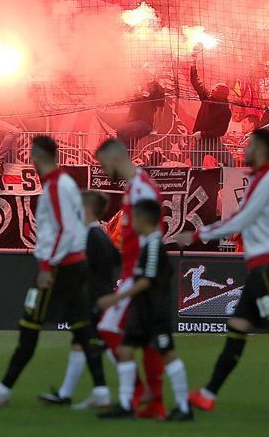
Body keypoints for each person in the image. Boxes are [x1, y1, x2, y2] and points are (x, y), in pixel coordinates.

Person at [180, 127, 269, 415]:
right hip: (259, 270)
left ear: (263, 150)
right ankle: (208, 393)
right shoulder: (261, 180)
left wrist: (197, 234)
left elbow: (244, 218)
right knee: (238, 329)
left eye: (250, 144)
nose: (245, 148)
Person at [0, 137, 106, 404]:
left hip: (59, 267)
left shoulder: (56, 185)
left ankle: (3, 390)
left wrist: (46, 266)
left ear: (37, 155)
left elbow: (63, 230)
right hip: (73, 264)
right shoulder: (62, 183)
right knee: (81, 328)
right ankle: (100, 390)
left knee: (29, 326)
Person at [94, 199, 192, 421]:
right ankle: (127, 404)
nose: (129, 224)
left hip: (155, 312)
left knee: (168, 355)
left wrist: (116, 298)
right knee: (125, 351)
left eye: (131, 219)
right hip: (142, 311)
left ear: (142, 219)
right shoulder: (147, 243)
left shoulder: (155, 245)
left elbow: (147, 280)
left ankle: (184, 408)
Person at [93, 137, 165, 416]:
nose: (103, 170)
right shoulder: (139, 185)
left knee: (111, 329)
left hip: (139, 274)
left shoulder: (140, 190)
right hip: (136, 272)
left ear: (114, 158)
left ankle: (134, 398)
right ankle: (152, 400)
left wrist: (142, 275)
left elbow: (152, 236)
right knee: (143, 338)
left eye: (103, 164)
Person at [41, 189, 116, 408]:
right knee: (81, 343)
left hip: (96, 300)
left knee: (107, 346)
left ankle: (135, 391)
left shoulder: (94, 235)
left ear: (87, 209)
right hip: (93, 299)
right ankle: (68, 394)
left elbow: (101, 267)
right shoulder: (95, 233)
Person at [188, 52, 232, 166]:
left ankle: (226, 181)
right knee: (196, 167)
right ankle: (196, 182)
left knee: (229, 162)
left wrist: (202, 134)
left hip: (213, 143)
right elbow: (195, 81)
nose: (212, 89)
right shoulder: (207, 97)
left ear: (221, 94)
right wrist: (193, 63)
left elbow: (220, 131)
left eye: (216, 88)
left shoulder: (225, 111)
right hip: (200, 142)